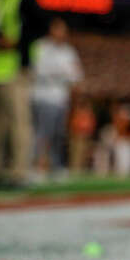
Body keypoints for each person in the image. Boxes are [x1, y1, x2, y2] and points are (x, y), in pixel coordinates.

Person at [0, 0, 46, 186]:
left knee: (18, 122)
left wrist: (16, 43)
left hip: (15, 67)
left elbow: (41, 25)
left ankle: (19, 171)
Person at [31, 17, 82, 174]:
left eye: (63, 30)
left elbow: (76, 75)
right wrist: (62, 73)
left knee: (58, 134)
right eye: (57, 29)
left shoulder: (69, 51)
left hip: (61, 98)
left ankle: (56, 165)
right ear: (51, 30)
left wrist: (58, 73)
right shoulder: (40, 47)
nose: (60, 33)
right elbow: (37, 70)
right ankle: (35, 165)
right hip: (43, 96)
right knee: (42, 133)